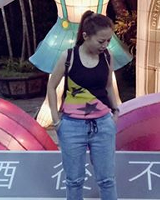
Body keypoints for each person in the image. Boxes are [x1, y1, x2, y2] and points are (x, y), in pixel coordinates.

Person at [47, 10, 119, 200]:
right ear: (86, 36)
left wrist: (115, 112)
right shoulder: (68, 57)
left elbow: (109, 86)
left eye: (108, 41)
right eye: (101, 41)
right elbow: (51, 86)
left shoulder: (107, 56)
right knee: (74, 180)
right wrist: (56, 120)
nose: (105, 45)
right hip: (72, 126)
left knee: (107, 180)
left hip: (103, 125)